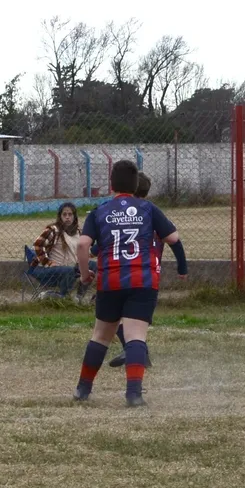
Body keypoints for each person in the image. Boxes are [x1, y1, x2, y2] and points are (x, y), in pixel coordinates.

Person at [73, 160, 187, 407]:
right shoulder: (148, 208)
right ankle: (134, 394)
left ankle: (83, 389)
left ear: (111, 184)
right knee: (136, 336)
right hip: (143, 279)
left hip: (110, 279)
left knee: (101, 336)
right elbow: (174, 238)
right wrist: (182, 268)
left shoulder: (99, 211)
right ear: (136, 185)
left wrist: (84, 276)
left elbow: (83, 245)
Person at [108, 171, 154, 369]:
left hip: (129, 272)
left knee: (118, 315)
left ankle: (136, 353)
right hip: (148, 274)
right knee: (132, 320)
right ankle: (137, 352)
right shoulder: (150, 212)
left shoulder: (132, 216)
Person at [29, 202, 93, 301]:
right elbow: (38, 245)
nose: (67, 217)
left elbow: (84, 251)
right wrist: (48, 262)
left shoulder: (79, 232)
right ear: (60, 216)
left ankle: (79, 297)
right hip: (49, 270)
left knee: (92, 265)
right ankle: (63, 297)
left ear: (74, 216)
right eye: (64, 214)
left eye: (70, 214)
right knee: (68, 270)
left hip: (71, 267)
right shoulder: (54, 230)